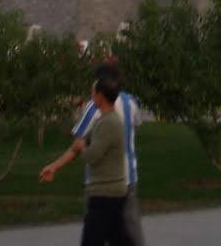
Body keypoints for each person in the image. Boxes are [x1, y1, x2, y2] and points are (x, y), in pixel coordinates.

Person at [40, 73, 130, 246]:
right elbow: (76, 147)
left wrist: (82, 147)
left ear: (101, 96)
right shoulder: (101, 121)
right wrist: (54, 166)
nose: (91, 96)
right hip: (109, 192)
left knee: (92, 240)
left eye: (93, 93)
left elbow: (92, 156)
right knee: (119, 239)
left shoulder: (109, 123)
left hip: (106, 193)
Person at [70, 62, 145, 246]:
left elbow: (79, 139)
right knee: (128, 227)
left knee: (96, 230)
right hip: (128, 176)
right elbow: (136, 124)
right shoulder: (131, 102)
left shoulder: (95, 106)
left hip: (101, 181)